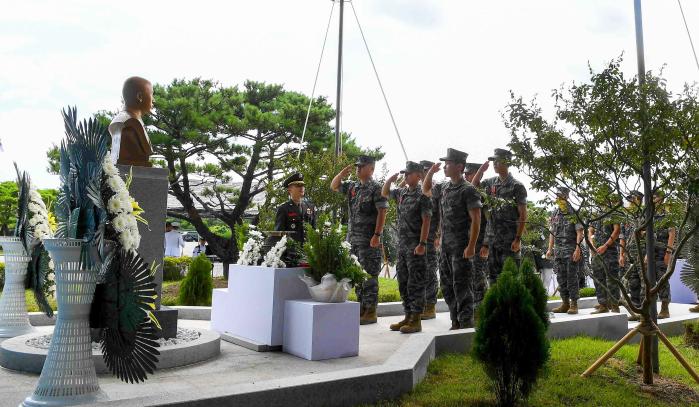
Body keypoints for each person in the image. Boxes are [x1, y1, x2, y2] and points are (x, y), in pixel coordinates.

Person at [423, 148, 482, 330]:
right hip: (446, 248)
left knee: (462, 286)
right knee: (447, 286)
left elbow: (476, 220)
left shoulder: (468, 190)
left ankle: (465, 324)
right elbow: (426, 190)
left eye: (448, 164)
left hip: (462, 248)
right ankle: (455, 320)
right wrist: (431, 173)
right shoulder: (444, 187)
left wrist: (472, 246)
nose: (445, 167)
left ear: (459, 166)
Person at [331, 155, 388, 325]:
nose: (358, 169)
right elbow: (334, 186)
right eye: (357, 166)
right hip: (353, 240)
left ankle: (370, 311)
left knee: (369, 275)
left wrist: (377, 235)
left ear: (371, 169)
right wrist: (341, 174)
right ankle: (362, 308)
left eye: (361, 166)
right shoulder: (353, 187)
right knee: (357, 276)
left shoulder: (377, 188)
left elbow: (382, 212)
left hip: (369, 241)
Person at [382, 161, 432, 334]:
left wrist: (422, 243)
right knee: (403, 282)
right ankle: (407, 315)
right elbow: (385, 192)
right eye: (405, 173)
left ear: (418, 175)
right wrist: (390, 179)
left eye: (409, 174)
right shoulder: (402, 193)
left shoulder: (423, 195)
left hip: (416, 247)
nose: (406, 176)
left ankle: (416, 319)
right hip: (403, 246)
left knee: (415, 283)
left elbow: (426, 220)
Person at [475, 148, 527, 286]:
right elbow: (472, 188)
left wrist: (518, 239)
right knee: (493, 280)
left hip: (509, 241)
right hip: (493, 242)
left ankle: (512, 308)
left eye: (498, 161)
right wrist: (480, 171)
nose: (495, 164)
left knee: (511, 279)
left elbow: (522, 215)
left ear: (507, 162)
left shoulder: (517, 186)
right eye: (494, 161)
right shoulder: (490, 183)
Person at [547, 187, 584, 314]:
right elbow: (551, 232)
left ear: (566, 197)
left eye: (561, 196)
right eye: (557, 195)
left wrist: (578, 248)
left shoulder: (574, 212)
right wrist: (549, 249)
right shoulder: (554, 213)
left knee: (572, 277)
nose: (558, 198)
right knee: (560, 277)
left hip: (570, 250)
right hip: (558, 251)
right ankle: (565, 303)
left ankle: (574, 304)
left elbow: (580, 232)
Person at [108, 76, 154, 167]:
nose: (153, 99)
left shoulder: (128, 120)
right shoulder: (130, 123)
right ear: (140, 97)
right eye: (151, 94)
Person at [463, 162, 489, 312]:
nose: (466, 176)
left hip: (480, 244)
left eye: (469, 173)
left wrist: (486, 244)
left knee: (479, 277)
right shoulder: (466, 192)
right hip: (468, 242)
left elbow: (489, 220)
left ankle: (481, 310)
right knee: (470, 277)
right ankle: (474, 308)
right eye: (465, 173)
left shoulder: (482, 194)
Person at [418, 160, 440, 320]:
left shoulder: (435, 187)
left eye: (425, 170)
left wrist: (439, 235)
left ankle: (430, 306)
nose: (422, 173)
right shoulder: (417, 188)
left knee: (430, 271)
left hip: (431, 237)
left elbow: (440, 212)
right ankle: (422, 305)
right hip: (418, 237)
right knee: (419, 272)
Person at [619, 190, 644, 321]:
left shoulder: (645, 214)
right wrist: (621, 254)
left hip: (642, 253)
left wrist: (647, 255)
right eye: (629, 199)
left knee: (645, 282)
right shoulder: (626, 216)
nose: (630, 202)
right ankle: (636, 311)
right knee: (633, 282)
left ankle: (647, 312)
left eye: (632, 199)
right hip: (629, 253)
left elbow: (650, 236)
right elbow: (622, 236)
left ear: (639, 199)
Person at [589, 215, 622, 314]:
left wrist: (606, 245)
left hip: (609, 252)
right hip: (597, 252)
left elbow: (617, 231)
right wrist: (592, 245)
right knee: (598, 279)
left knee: (612, 280)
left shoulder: (613, 212)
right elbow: (590, 231)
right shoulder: (595, 213)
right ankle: (603, 305)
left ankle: (615, 306)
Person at [275, 172, 317, 245]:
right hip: (291, 253)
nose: (302, 188)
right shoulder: (283, 209)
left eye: (303, 185)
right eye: (298, 185)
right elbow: (279, 234)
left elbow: (314, 230)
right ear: (289, 189)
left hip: (308, 252)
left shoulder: (311, 207)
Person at [652, 192, 674, 319]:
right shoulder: (651, 216)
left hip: (662, 252)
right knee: (651, 280)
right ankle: (652, 309)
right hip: (651, 253)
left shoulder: (667, 216)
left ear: (662, 199)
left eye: (656, 197)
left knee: (662, 280)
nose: (654, 199)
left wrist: (668, 253)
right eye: (653, 197)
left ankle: (665, 308)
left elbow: (672, 234)